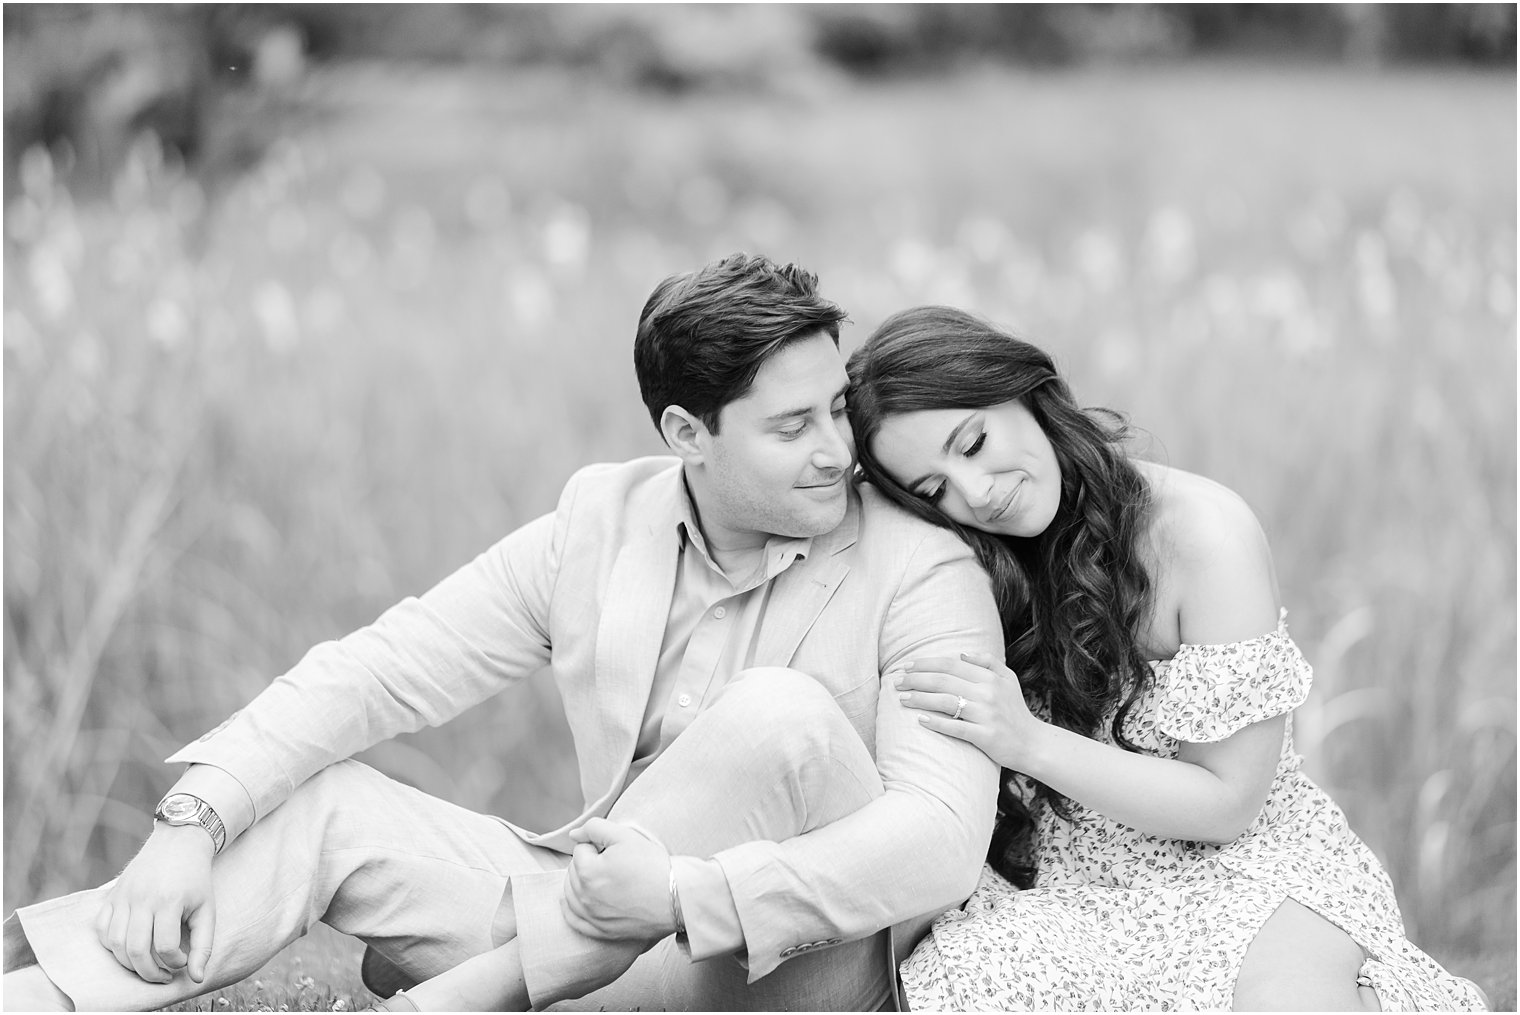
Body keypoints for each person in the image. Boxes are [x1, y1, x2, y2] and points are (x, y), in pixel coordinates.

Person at [1, 257, 1004, 1013]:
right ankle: (40, 998)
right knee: (326, 801)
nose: (837, 451)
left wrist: (680, 892)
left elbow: (940, 840)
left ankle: (505, 983)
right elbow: (378, 672)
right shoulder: (598, 524)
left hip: (787, 970)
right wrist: (190, 823)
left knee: (778, 714)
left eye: (836, 409)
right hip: (590, 923)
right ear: (686, 436)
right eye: (791, 428)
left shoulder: (918, 567)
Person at [844, 305, 1489, 1012]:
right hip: (1073, 880)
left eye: (971, 443)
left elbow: (1226, 805)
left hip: (1242, 864)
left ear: (1021, 388)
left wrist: (1025, 740)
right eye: (934, 491)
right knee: (973, 971)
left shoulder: (1202, 534)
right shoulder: (960, 562)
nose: (976, 493)